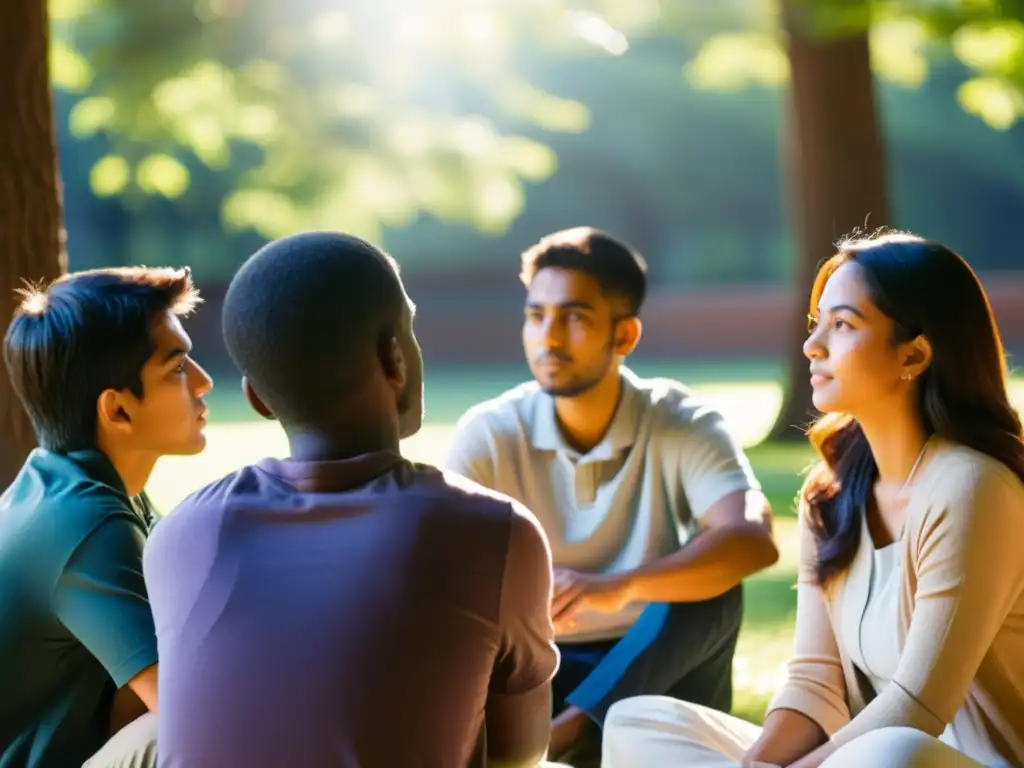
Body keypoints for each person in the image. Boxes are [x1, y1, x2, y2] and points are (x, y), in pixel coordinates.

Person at [601, 231, 1024, 768]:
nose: (812, 345)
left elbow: (917, 708)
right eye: (815, 323)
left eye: (842, 324)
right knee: (639, 722)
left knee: (894, 753)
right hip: (855, 759)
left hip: (940, 759)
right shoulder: (831, 492)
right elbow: (813, 679)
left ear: (914, 354)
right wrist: (760, 764)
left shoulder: (973, 487)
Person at [143, 231, 565, 768]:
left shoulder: (179, 534)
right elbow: (521, 756)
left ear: (256, 399)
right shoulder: (493, 532)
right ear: (395, 357)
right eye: (409, 330)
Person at [444, 226, 779, 762]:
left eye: (574, 317)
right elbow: (441, 572)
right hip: (538, 670)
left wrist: (618, 587)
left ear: (624, 337)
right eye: (536, 316)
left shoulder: (680, 420)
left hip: (657, 671)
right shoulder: (490, 432)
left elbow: (752, 538)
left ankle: (575, 732)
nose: (549, 338)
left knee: (716, 587)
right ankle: (565, 731)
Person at [0, 267, 212, 768]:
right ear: (117, 410)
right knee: (183, 730)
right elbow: (192, 713)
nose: (203, 382)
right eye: (177, 368)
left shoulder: (70, 486)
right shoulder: (86, 526)